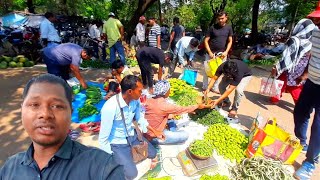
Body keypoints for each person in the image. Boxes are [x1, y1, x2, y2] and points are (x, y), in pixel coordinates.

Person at [0, 74, 125, 180]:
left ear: (71, 112)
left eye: (57, 106)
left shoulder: (103, 168)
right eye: (34, 104)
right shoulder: (9, 169)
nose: (45, 114)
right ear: (22, 109)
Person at [99, 75, 159, 180]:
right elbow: (103, 139)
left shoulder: (135, 101)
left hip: (132, 136)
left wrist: (154, 131)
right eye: (140, 91)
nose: (142, 93)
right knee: (132, 174)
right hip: (118, 143)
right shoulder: (110, 107)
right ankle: (121, 159)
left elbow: (140, 119)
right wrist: (110, 157)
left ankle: (126, 157)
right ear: (130, 91)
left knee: (153, 153)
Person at [293, 5, 320, 179]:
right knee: (300, 112)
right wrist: (305, 74)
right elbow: (314, 55)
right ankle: (301, 142)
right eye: (316, 18)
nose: (316, 22)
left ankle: (310, 162)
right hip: (311, 82)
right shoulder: (316, 32)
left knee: (319, 125)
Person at [144, 80, 208, 145]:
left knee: (170, 116)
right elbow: (181, 109)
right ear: (165, 92)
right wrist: (197, 106)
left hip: (145, 130)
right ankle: (169, 133)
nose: (170, 91)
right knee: (185, 135)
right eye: (169, 89)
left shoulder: (149, 100)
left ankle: (172, 130)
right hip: (153, 136)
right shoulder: (164, 106)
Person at [270, 18, 314, 104]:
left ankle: (275, 99)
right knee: (296, 87)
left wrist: (277, 67)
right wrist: (305, 74)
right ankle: (301, 104)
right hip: (301, 70)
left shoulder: (294, 40)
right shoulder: (311, 43)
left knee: (280, 82)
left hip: (288, 68)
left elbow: (286, 56)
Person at [203, 11, 233, 93]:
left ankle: (214, 87)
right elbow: (206, 40)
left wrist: (226, 52)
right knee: (207, 70)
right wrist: (209, 52)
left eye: (222, 18)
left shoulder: (229, 28)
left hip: (222, 54)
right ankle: (205, 86)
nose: (220, 20)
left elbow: (230, 41)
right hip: (211, 53)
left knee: (219, 71)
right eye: (219, 19)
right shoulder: (212, 28)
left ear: (226, 18)